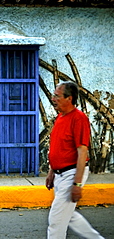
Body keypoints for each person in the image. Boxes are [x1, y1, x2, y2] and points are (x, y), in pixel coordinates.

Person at [45, 82, 104, 239]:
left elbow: (82, 151)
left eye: (57, 96)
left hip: (71, 173)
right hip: (60, 174)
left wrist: (77, 184)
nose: (53, 98)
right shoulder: (60, 117)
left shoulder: (79, 119)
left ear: (69, 98)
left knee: (56, 220)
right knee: (69, 216)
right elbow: (59, 147)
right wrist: (52, 171)